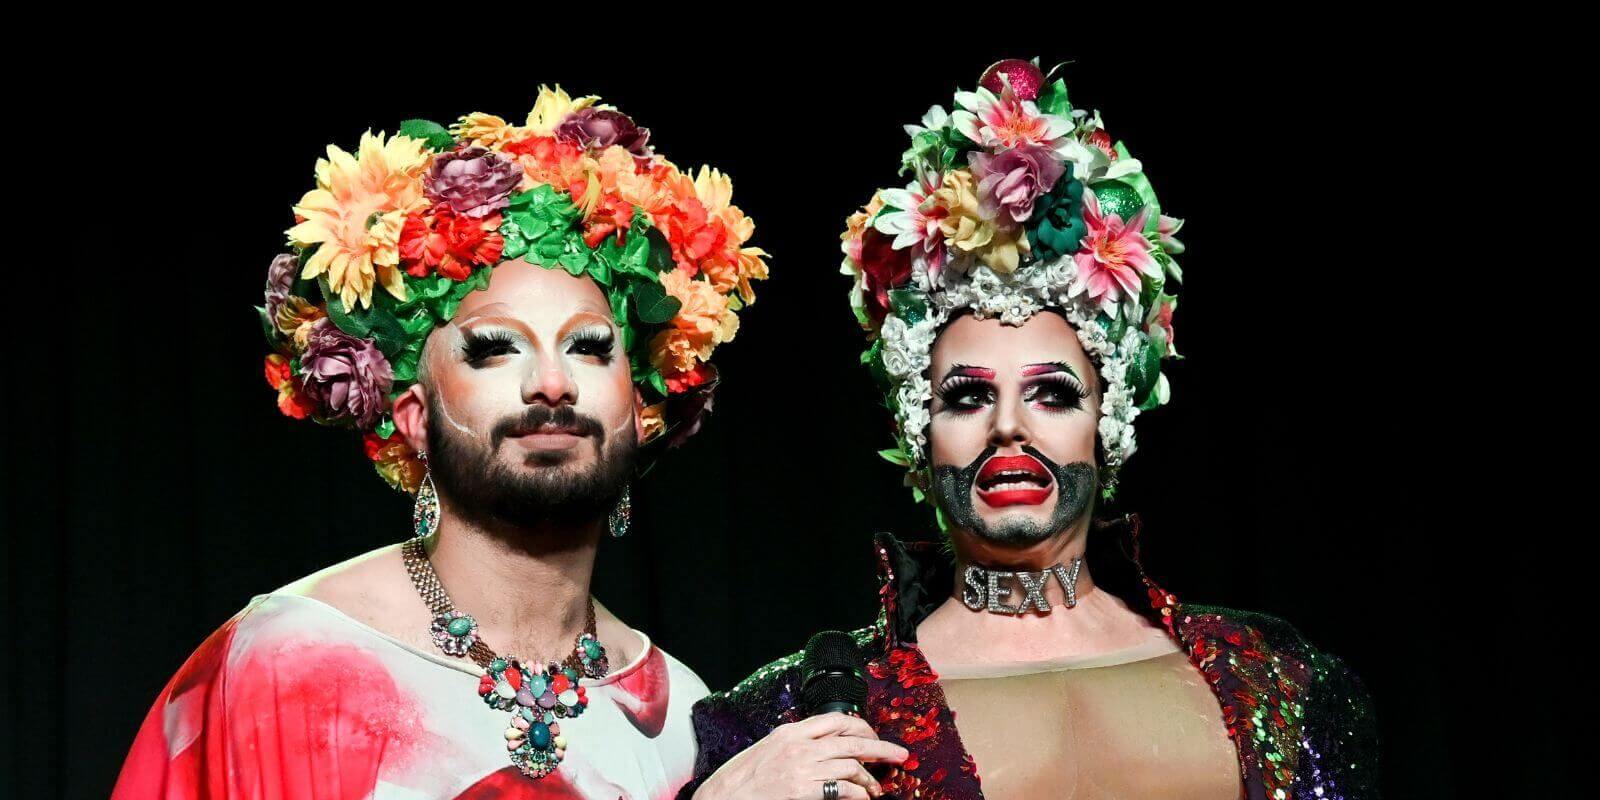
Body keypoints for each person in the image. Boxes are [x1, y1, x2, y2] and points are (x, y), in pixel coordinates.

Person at [685, 60, 1378, 800]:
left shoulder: (1275, 677)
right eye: (965, 398)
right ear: (918, 432)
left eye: (1050, 393)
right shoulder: (801, 713)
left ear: (1106, 420)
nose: (1008, 427)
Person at [114, 86, 773, 798]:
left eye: (589, 347)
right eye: (494, 347)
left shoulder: (678, 714)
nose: (552, 383)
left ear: (638, 410)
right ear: (413, 417)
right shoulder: (286, 662)